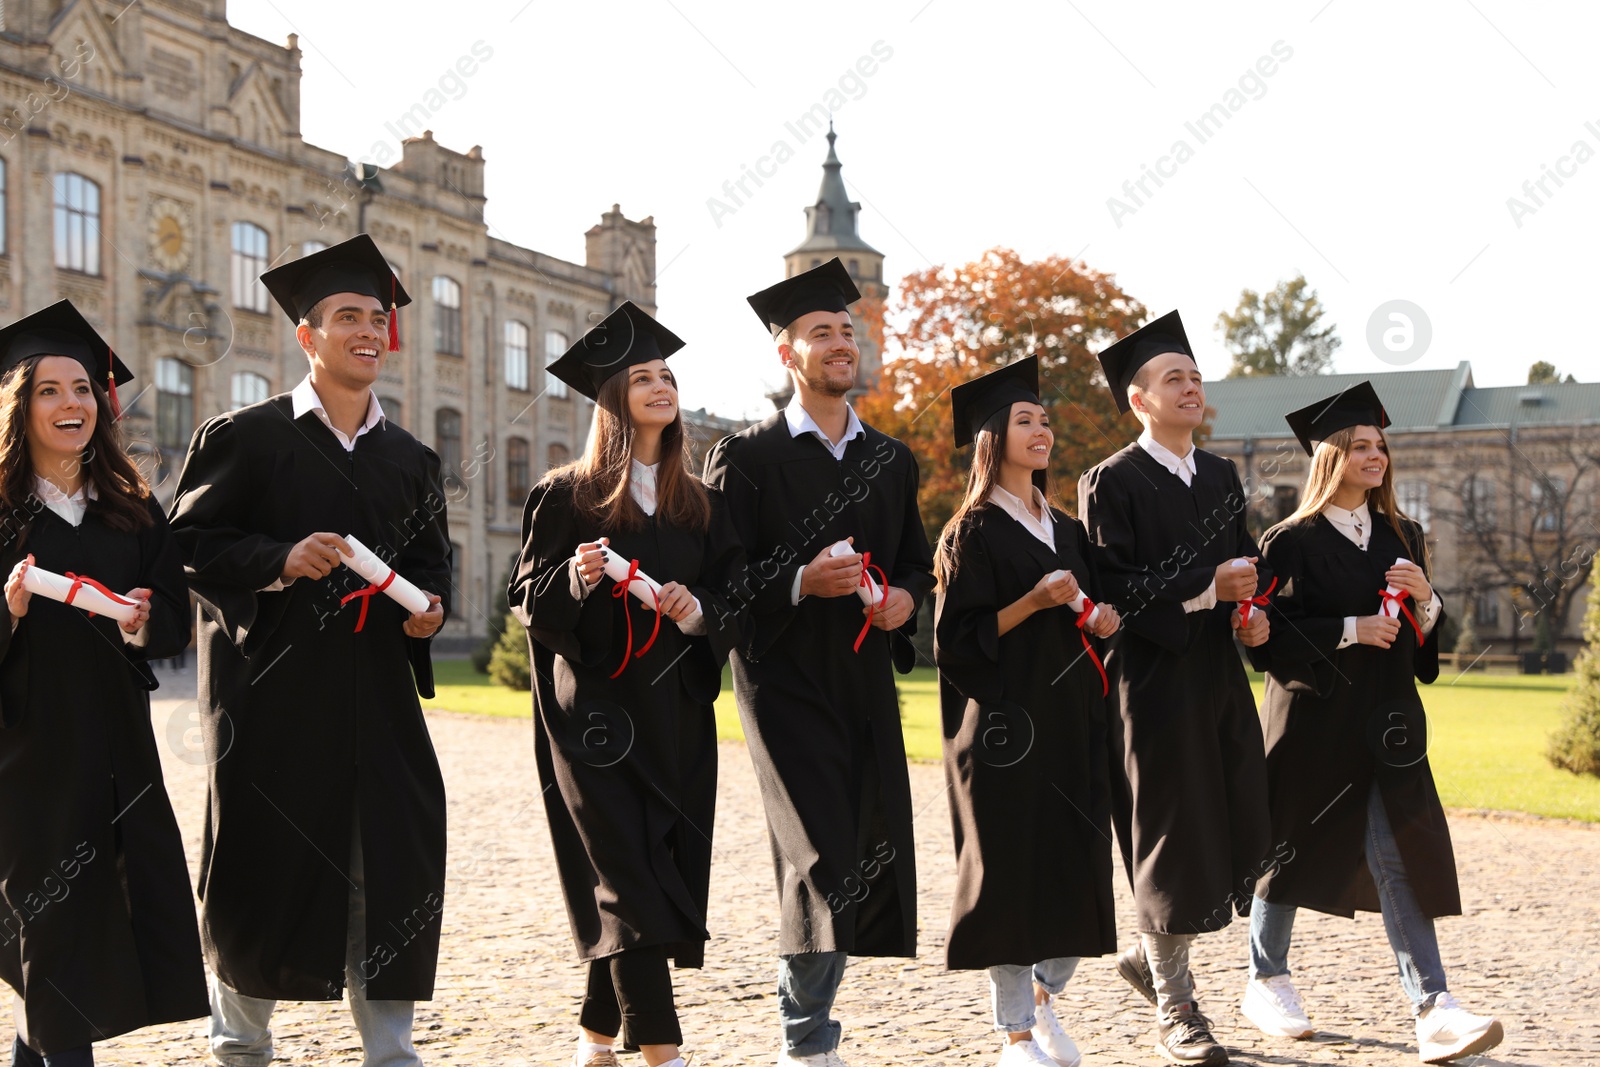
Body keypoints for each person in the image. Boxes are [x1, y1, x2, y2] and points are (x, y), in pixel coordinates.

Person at [167, 235, 451, 1067]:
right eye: (348, 317)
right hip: (271, 708)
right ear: (307, 335)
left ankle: (390, 1052)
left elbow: (433, 568)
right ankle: (241, 1046)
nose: (369, 330)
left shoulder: (412, 459)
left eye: (378, 317)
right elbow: (188, 543)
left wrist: (430, 611)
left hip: (379, 708)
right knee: (261, 869)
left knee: (390, 866)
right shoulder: (245, 437)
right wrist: (279, 559)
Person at [702, 258, 935, 1066]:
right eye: (821, 333)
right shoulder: (747, 458)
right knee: (818, 852)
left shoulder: (892, 460)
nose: (842, 343)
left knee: (864, 844)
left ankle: (810, 1027)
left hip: (864, 678)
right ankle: (805, 1042)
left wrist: (905, 599)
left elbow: (915, 563)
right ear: (786, 354)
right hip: (783, 682)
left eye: (847, 331)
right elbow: (722, 581)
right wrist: (800, 580)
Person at [508, 302, 746, 1067]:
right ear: (611, 400)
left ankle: (595, 1039)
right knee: (631, 880)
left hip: (674, 714)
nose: (660, 384)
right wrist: (574, 580)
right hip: (595, 721)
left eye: (667, 373)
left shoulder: (700, 505)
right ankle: (665, 1055)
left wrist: (698, 608)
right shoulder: (566, 495)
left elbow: (735, 597)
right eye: (641, 375)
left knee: (647, 873)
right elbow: (526, 599)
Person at [1239, 382, 1503, 1064]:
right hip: (1313, 720)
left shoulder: (1403, 535)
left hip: (1388, 724)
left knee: (1401, 857)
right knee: (1287, 852)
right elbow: (1264, 640)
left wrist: (1431, 603)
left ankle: (1434, 1006)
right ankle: (1266, 978)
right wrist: (1351, 629)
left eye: (1381, 445)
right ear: (1330, 456)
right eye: (1360, 446)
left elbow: (1419, 647)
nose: (1375, 455)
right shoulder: (1289, 541)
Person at [0, 301, 208, 1067]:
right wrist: (10, 608)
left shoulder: (133, 509)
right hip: (23, 758)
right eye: (50, 390)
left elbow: (176, 625)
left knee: (83, 931)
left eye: (83, 388)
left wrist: (140, 622)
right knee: (49, 928)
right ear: (21, 407)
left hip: (116, 749)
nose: (71, 404)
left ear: (102, 404)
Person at [1076, 311, 1272, 1066]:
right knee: (1167, 836)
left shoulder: (1221, 476)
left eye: (1195, 376)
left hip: (1217, 676)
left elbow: (1246, 563)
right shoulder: (1112, 481)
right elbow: (1114, 588)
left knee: (1228, 822)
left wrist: (1252, 612)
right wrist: (1204, 586)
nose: (1191, 387)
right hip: (1151, 682)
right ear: (1139, 400)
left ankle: (1151, 961)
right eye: (1173, 379)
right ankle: (1177, 1004)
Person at [933, 358, 1120, 1067]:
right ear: (992, 437)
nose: (1041, 428)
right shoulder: (970, 531)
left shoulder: (1067, 529)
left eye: (1044, 420)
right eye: (1025, 420)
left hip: (1072, 719)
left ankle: (1043, 998)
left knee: (1077, 865)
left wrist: (1102, 620)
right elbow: (957, 640)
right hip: (1003, 726)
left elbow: (1096, 616)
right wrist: (1034, 602)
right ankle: (1015, 1034)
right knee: (1008, 876)